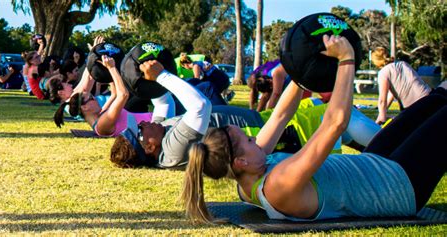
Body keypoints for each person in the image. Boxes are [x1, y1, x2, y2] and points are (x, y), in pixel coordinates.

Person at [182, 35, 446, 223]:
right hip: (397, 185)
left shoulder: (247, 177)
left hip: (375, 163)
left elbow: (281, 115)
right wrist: (346, 60)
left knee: (434, 101)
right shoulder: (278, 184)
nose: (255, 139)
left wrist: (302, 69)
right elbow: (335, 123)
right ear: (240, 160)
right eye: (249, 141)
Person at [110, 59, 212, 169]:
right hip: (232, 128)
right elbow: (200, 106)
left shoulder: (158, 136)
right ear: (149, 147)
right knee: (207, 86)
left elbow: (163, 103)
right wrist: (161, 76)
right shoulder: (172, 151)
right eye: (140, 128)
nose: (143, 122)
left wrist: (144, 79)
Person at [54, 55, 155, 136]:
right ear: (85, 107)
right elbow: (123, 95)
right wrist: (112, 68)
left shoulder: (102, 114)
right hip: (158, 124)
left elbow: (115, 94)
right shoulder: (102, 125)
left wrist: (108, 74)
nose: (96, 99)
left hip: (156, 119)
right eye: (92, 98)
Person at [371, 47, 431, 125]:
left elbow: (382, 100)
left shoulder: (383, 73)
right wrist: (382, 113)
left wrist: (381, 118)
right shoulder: (403, 64)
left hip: (413, 107)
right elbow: (392, 94)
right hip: (430, 96)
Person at [247, 60, 324, 111]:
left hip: (307, 74)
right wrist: (258, 113)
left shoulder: (276, 73)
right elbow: (266, 97)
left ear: (270, 82)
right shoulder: (267, 81)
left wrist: (268, 113)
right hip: (300, 82)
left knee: (303, 105)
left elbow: (276, 94)